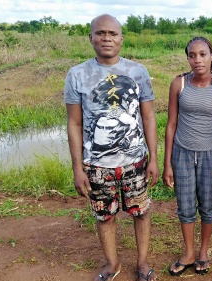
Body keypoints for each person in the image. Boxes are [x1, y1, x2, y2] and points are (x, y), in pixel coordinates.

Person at [64, 14, 159, 281]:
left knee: (141, 212)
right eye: (101, 33)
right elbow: (73, 123)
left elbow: (149, 117)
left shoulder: (137, 71)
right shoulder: (77, 74)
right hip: (96, 165)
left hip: (135, 161)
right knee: (104, 217)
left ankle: (142, 264)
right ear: (91, 37)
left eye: (113, 34)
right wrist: (77, 167)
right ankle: (112, 264)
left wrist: (153, 158)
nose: (107, 38)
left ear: (121, 38)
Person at [162, 36, 212, 276]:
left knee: (208, 205)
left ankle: (203, 252)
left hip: (210, 155)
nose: (197, 60)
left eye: (202, 54)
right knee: (185, 205)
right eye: (192, 55)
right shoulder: (178, 84)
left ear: (211, 56)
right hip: (182, 153)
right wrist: (167, 164)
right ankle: (189, 252)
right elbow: (171, 124)